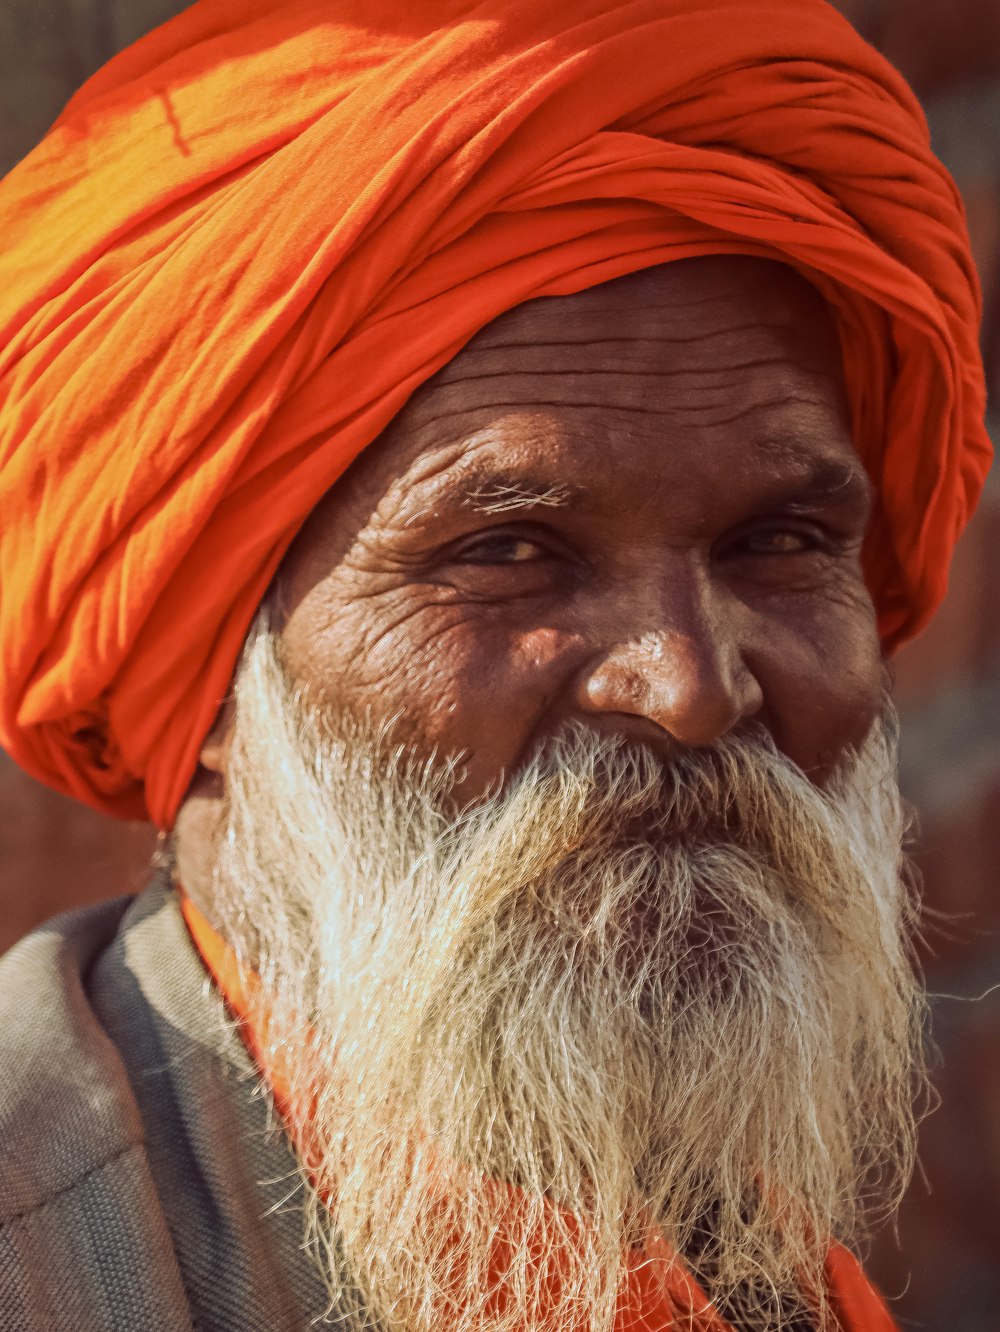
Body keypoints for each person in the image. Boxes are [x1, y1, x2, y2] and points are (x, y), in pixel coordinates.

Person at [0, 2, 991, 1330]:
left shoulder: (720, 1229)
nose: (691, 688)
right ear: (222, 667)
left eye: (781, 541)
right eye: (509, 550)